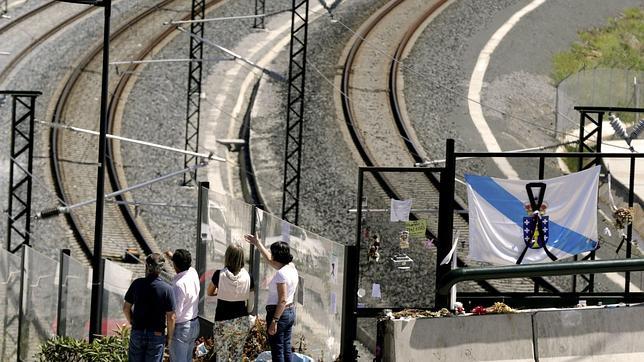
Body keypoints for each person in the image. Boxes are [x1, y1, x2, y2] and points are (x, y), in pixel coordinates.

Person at [244, 234, 299, 362]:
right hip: (290, 312)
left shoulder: (281, 274)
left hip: (279, 314)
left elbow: (282, 299)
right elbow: (270, 259)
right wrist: (258, 244)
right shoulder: (291, 266)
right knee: (286, 349)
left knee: (277, 351)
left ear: (276, 256)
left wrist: (274, 320)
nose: (271, 255)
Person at [123, 253, 176, 362]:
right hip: (157, 334)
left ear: (147, 266)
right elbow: (171, 317)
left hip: (138, 331)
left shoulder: (137, 284)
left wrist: (132, 322)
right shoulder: (167, 289)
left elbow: (126, 308)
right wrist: (169, 337)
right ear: (161, 269)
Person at [207, 243, 254, 361]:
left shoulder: (219, 275)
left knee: (221, 356)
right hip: (241, 321)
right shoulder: (249, 277)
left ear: (227, 256)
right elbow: (251, 305)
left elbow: (209, 292)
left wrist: (222, 292)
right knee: (236, 356)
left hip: (222, 321)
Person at [167, 249, 201, 362]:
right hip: (194, 325)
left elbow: (175, 314)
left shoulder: (178, 285)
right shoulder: (193, 272)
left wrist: (169, 337)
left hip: (181, 329)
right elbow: (183, 265)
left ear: (175, 264)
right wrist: (172, 257)